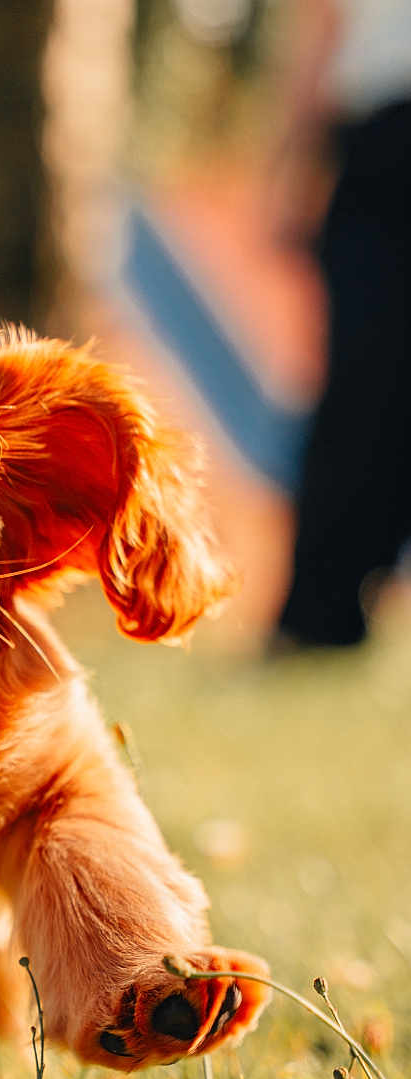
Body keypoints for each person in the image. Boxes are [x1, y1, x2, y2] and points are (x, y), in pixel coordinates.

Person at [269, 0, 411, 647]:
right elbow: (321, 24)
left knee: (363, 382)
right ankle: (321, 614)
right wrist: (293, 161)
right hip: (383, 149)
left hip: (380, 147)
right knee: (361, 385)